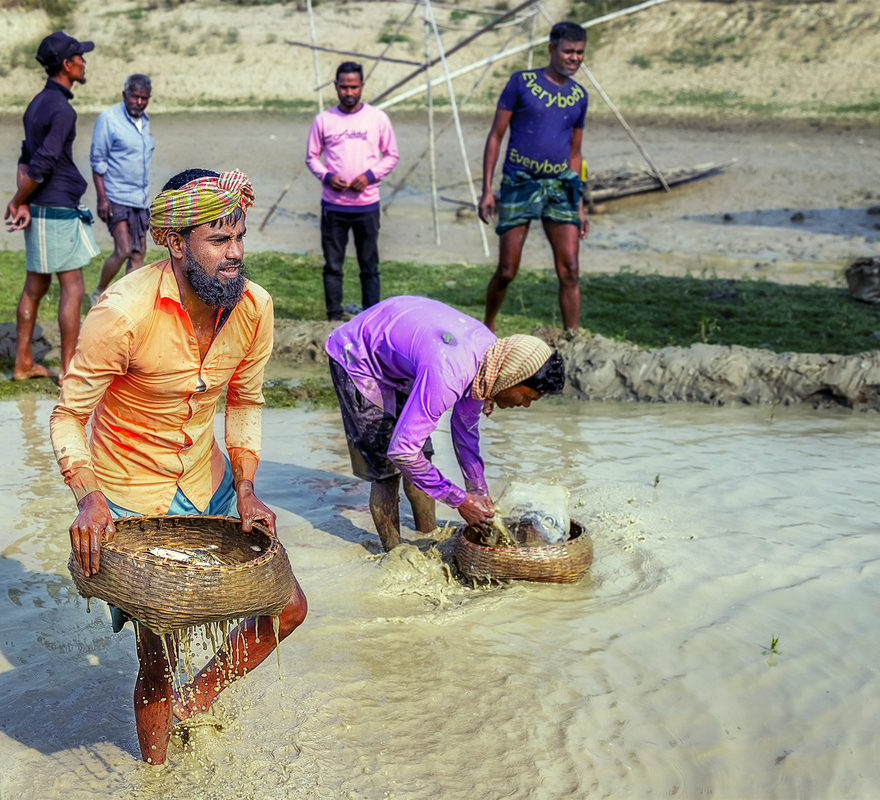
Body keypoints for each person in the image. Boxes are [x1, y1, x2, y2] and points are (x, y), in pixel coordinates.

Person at [49, 168, 308, 766]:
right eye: (218, 240)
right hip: (130, 494)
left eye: (239, 237)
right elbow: (68, 415)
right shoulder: (123, 312)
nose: (234, 253)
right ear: (174, 241)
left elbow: (245, 400)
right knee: (158, 655)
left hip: (207, 477)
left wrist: (247, 487)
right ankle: (156, 780)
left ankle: (197, 699)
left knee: (288, 607)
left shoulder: (254, 307)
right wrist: (88, 497)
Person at [326, 295, 566, 551]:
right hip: (359, 355)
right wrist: (459, 500)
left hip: (404, 357)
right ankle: (395, 554)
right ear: (513, 378)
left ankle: (427, 535)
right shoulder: (449, 374)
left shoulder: (491, 364)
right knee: (387, 471)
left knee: (423, 458)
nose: (525, 405)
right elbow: (403, 453)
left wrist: (478, 492)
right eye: (528, 397)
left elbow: (465, 430)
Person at [478, 21, 590, 333]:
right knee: (507, 270)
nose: (574, 58)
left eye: (580, 52)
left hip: (561, 187)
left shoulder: (579, 96)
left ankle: (572, 338)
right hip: (520, 183)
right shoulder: (521, 82)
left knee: (570, 269)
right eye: (568, 51)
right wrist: (487, 190)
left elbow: (576, 153)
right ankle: (486, 327)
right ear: (552, 49)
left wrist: (579, 206)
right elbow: (495, 136)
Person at [4, 31, 100, 383]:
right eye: (80, 57)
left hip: (41, 208)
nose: (84, 62)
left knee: (35, 286)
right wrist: (17, 201)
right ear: (67, 64)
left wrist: (24, 201)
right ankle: (68, 370)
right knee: (73, 287)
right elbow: (41, 163)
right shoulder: (63, 110)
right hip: (58, 208)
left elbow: (25, 158)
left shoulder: (37, 104)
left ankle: (23, 363)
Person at [306, 61, 399, 322]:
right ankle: (333, 318)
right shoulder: (324, 120)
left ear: (362, 86)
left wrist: (369, 176)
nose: (349, 92)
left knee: (369, 266)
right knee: (333, 266)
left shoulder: (377, 118)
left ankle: (371, 319)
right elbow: (312, 157)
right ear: (336, 86)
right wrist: (327, 176)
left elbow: (391, 155)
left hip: (367, 206)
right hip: (333, 207)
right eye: (344, 87)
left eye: (354, 87)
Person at [89, 73, 155, 307]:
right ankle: (99, 292)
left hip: (140, 199)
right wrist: (102, 198)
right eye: (135, 97)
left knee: (139, 252)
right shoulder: (108, 119)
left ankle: (126, 304)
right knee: (124, 248)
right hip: (115, 196)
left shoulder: (144, 121)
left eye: (144, 98)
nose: (139, 102)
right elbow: (97, 161)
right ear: (124, 94)